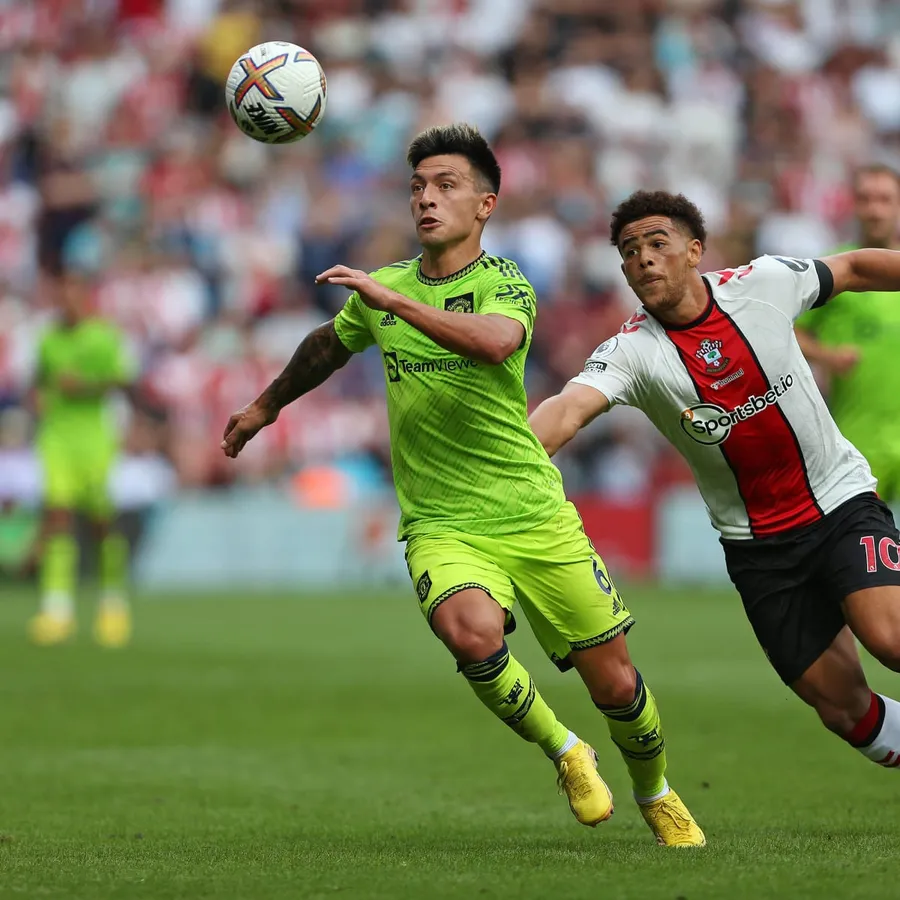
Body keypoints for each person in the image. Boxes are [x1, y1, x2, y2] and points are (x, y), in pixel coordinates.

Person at [221, 125, 705, 846]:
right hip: (441, 522)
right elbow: (328, 344)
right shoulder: (385, 288)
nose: (426, 198)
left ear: (485, 204)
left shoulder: (504, 283)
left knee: (616, 684)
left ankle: (655, 789)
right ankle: (566, 751)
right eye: (417, 186)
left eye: (445, 185)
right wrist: (266, 406)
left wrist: (390, 304)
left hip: (531, 512)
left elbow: (494, 342)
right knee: (468, 633)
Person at [530, 190, 900, 772]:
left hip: (838, 504)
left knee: (890, 637)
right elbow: (569, 408)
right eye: (629, 251)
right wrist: (510, 460)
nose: (643, 258)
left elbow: (852, 267)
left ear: (694, 250)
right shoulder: (632, 351)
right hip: (758, 550)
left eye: (658, 243)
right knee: (843, 708)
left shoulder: (764, 284)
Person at [29, 270, 133, 647]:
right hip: (56, 437)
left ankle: (112, 603)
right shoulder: (47, 339)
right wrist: (38, 400)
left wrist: (85, 386)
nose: (67, 301)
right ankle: (57, 609)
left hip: (94, 438)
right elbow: (38, 381)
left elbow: (122, 380)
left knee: (100, 522)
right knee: (57, 516)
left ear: (85, 297)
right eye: (62, 294)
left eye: (74, 293)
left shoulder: (103, 336)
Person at [795, 164, 900, 500]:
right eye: (866, 199)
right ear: (853, 205)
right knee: (863, 528)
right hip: (858, 435)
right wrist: (827, 356)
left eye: (884, 199)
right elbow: (790, 332)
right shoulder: (835, 269)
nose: (875, 210)